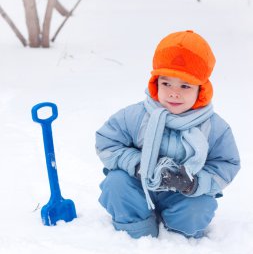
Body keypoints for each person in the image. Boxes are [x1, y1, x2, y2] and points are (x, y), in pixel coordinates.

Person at [95, 30, 240, 239]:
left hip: (183, 196)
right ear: (155, 84)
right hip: (139, 188)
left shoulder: (214, 127)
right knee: (116, 183)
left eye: (185, 85)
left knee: (198, 208)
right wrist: (138, 165)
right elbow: (107, 142)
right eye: (166, 83)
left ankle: (179, 236)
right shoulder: (136, 116)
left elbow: (226, 164)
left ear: (201, 89)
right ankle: (137, 231)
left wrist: (194, 183)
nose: (174, 92)